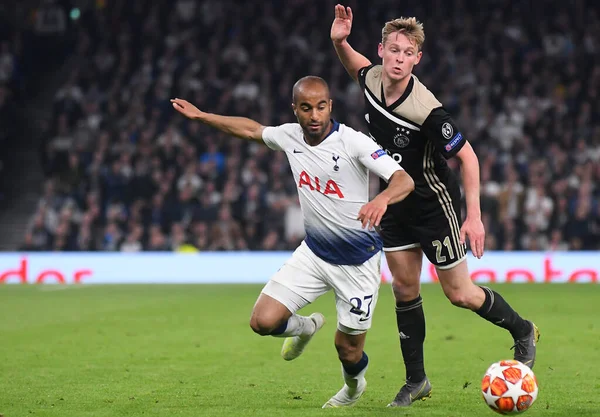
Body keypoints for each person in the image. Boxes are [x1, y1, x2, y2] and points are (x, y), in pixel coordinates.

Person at [330, 5, 540, 407]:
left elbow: (469, 157)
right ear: (382, 50)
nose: (399, 59)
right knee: (404, 290)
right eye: (394, 50)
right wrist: (339, 40)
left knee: (459, 293)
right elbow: (353, 65)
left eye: (408, 54)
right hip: (394, 202)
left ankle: (523, 330)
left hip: (432, 202)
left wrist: (474, 217)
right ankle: (416, 381)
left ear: (417, 59)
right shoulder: (372, 78)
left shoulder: (426, 109)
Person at [171, 76, 415, 408]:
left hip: (358, 264)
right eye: (306, 108)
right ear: (295, 110)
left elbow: (403, 179)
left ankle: (354, 386)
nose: (314, 115)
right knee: (262, 322)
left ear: (330, 106)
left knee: (348, 349)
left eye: (320, 106)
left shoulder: (353, 142)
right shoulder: (288, 136)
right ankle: (305, 327)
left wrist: (382, 200)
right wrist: (202, 117)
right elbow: (249, 129)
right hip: (313, 255)